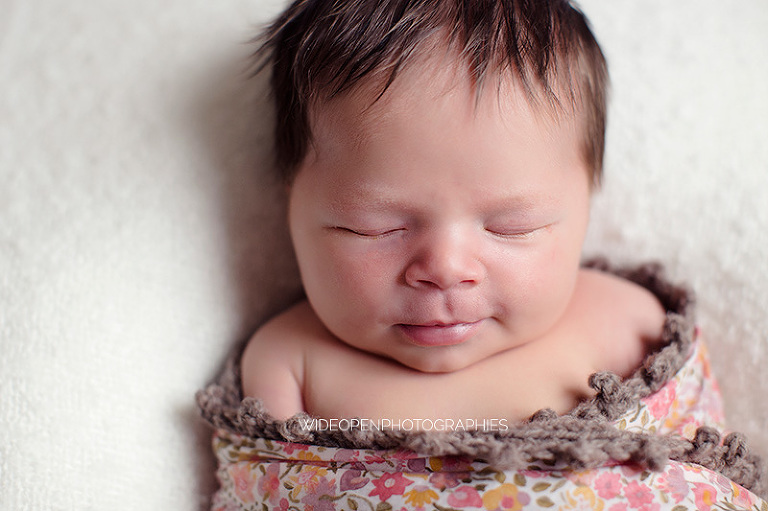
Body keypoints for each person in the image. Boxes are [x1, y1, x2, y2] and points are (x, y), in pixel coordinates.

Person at [240, 0, 667, 426]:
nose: (445, 269)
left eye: (512, 227)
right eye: (374, 227)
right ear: (290, 202)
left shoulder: (627, 323)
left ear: (586, 205)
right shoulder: (290, 362)